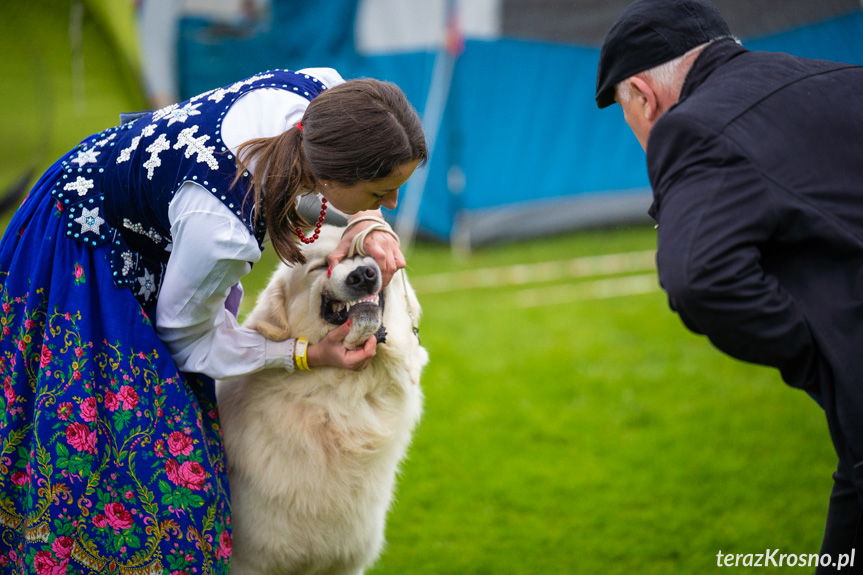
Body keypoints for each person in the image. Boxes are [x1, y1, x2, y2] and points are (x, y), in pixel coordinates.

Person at [0, 67, 426, 572]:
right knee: (145, 481)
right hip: (78, 251)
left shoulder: (322, 93)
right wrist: (306, 353)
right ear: (332, 175)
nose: (394, 205)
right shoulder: (222, 229)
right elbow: (187, 343)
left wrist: (369, 223)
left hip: (140, 230)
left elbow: (334, 193)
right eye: (381, 193)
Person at [596, 0, 863, 570]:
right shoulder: (840, 78)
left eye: (627, 114)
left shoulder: (691, 127)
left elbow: (701, 279)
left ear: (643, 96)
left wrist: (821, 359)